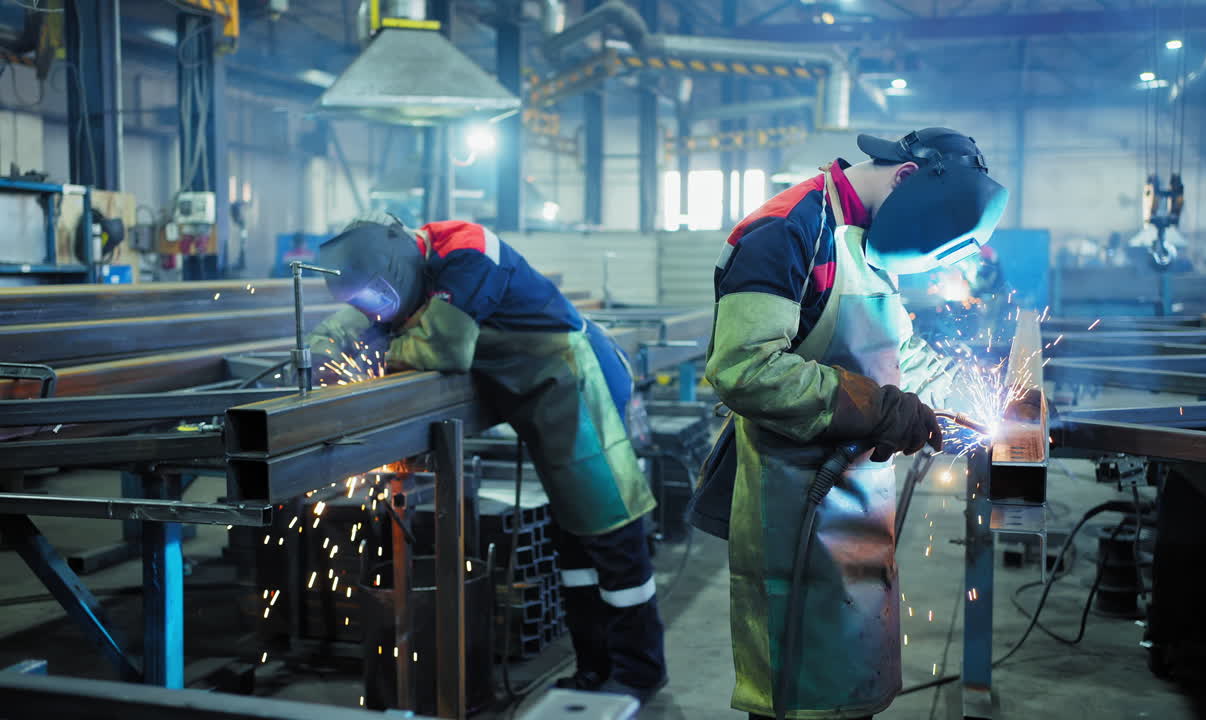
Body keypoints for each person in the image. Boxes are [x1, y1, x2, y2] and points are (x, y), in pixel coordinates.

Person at [699, 128, 1008, 719]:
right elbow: (744, 368)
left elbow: (899, 353)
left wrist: (976, 402)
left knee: (850, 688)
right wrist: (879, 407)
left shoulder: (864, 236)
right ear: (906, 180)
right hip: (792, 505)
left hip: (857, 493)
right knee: (800, 692)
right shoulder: (790, 229)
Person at [304, 215, 667, 703]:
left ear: (401, 258)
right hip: (540, 392)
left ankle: (640, 670)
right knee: (575, 544)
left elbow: (446, 346)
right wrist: (328, 340)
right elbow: (367, 313)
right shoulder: (404, 263)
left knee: (610, 531)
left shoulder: (466, 251)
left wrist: (382, 349)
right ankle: (596, 666)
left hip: (577, 381)